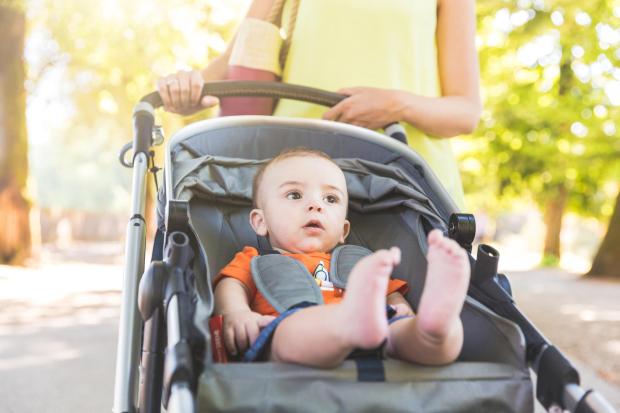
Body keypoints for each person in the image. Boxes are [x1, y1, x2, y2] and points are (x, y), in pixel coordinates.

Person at [156, 0, 481, 210]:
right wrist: (187, 89)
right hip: (297, 181)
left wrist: (396, 104)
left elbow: (465, 111)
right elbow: (233, 63)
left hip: (408, 184)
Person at [213, 148, 470, 367]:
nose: (316, 205)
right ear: (260, 221)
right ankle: (350, 323)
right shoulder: (254, 260)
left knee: (407, 333)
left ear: (343, 231)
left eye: (330, 198)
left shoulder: (360, 264)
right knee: (290, 333)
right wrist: (236, 312)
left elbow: (390, 296)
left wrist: (403, 310)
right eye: (295, 195)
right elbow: (231, 284)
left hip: (374, 328)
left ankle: (433, 329)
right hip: (289, 326)